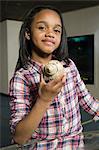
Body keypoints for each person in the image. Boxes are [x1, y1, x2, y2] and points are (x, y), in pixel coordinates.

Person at [9, 5, 99, 150]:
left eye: (56, 30)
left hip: (75, 146)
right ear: (28, 33)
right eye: (42, 27)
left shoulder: (69, 66)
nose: (50, 33)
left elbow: (86, 99)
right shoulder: (22, 78)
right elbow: (19, 137)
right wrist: (44, 99)